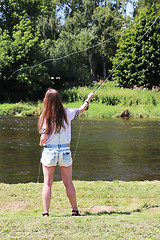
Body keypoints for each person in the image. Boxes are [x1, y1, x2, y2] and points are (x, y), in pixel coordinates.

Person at [38, 88, 94, 217]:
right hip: (65, 151)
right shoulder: (67, 113)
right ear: (59, 100)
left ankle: (46, 213)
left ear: (46, 101)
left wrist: (42, 143)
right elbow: (81, 109)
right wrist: (88, 98)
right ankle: (74, 210)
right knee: (68, 182)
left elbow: (43, 139)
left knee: (47, 183)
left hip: (49, 152)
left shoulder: (45, 116)